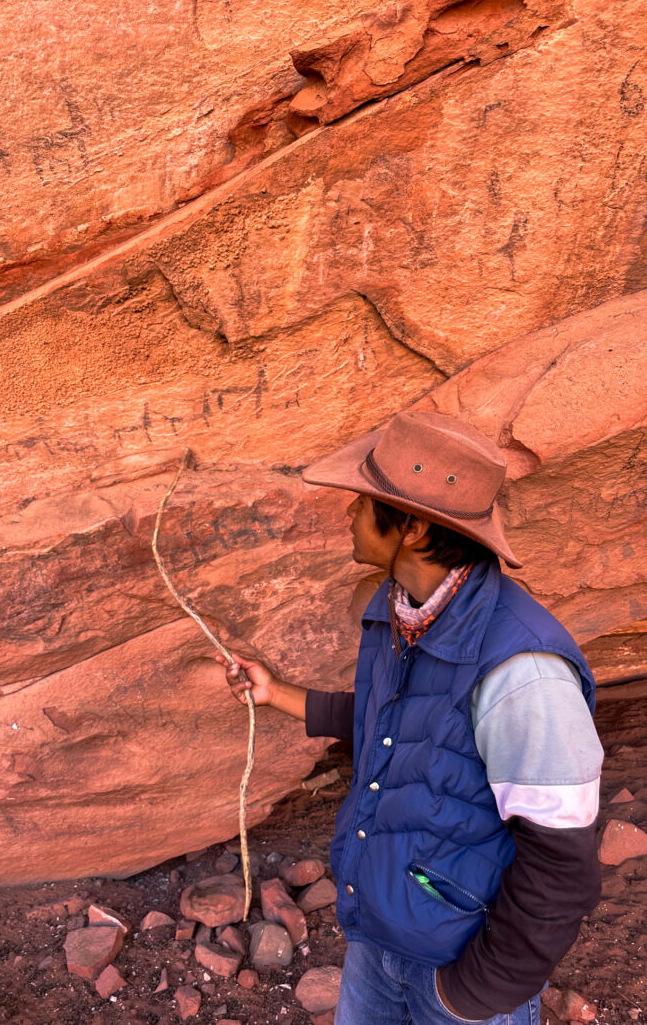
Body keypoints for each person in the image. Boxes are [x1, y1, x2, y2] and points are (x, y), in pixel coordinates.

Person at [220, 411, 603, 1024]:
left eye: (362, 502)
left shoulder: (523, 670)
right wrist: (277, 694)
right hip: (380, 935)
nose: (349, 513)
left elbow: (560, 865)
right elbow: (406, 727)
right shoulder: (402, 610)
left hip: (459, 968)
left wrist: (472, 994)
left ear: (414, 528)